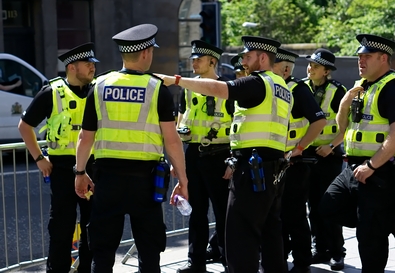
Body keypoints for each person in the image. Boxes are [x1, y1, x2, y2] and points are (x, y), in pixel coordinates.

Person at [156, 35, 292, 273]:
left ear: (262, 57)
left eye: (248, 57)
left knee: (240, 234)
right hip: (271, 168)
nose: (244, 62)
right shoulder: (281, 86)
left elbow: (220, 88)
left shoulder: (257, 83)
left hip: (251, 169)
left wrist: (176, 79)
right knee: (270, 232)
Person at [73, 24, 189, 273]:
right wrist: (183, 179)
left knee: (102, 253)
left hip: (107, 181)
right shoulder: (157, 88)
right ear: (146, 52)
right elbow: (172, 140)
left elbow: (85, 137)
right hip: (145, 184)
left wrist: (80, 173)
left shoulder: (100, 85)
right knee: (149, 252)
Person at [319, 34, 395, 273]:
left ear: (383, 58)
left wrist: (372, 166)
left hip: (382, 168)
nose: (361, 61)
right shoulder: (362, 86)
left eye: (367, 57)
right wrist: (345, 103)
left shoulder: (394, 87)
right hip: (356, 166)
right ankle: (389, 217)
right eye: (360, 56)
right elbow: (343, 128)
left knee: (369, 238)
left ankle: (381, 223)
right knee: (329, 205)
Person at [18, 43, 99, 273]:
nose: (93, 68)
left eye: (93, 64)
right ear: (72, 67)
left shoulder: (97, 90)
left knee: (92, 224)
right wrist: (39, 158)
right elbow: (25, 126)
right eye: (88, 64)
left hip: (92, 166)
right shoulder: (51, 92)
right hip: (62, 168)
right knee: (61, 227)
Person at [176, 40, 233, 273]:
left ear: (212, 62)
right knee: (196, 212)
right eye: (193, 58)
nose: (193, 62)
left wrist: (233, 161)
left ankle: (229, 261)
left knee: (223, 213)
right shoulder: (188, 88)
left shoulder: (229, 88)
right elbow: (179, 121)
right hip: (193, 157)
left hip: (220, 157)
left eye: (198, 59)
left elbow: (240, 127)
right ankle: (196, 263)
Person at [273, 48, 327, 273]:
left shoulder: (298, 89)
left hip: (294, 164)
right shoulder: (273, 88)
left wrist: (300, 148)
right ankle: (281, 257)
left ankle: (302, 262)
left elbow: (319, 121)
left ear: (285, 68)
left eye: (273, 64)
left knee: (294, 214)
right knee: (277, 214)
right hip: (275, 162)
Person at [301, 48, 347, 270]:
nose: (310, 68)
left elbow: (347, 127)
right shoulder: (301, 87)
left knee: (330, 204)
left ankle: (337, 252)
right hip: (306, 154)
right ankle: (319, 249)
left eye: (316, 66)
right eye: (310, 65)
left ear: (326, 71)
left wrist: (331, 146)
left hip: (329, 155)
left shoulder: (338, 92)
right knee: (312, 204)